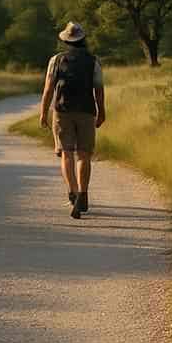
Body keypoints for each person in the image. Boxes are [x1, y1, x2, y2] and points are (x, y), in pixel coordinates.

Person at [38, 21, 106, 219]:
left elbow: (48, 89)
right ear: (83, 39)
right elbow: (99, 91)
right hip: (86, 111)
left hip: (62, 111)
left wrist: (43, 113)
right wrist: (101, 112)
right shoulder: (94, 61)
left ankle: (73, 193)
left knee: (67, 153)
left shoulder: (56, 60)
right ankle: (83, 194)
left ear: (66, 41)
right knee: (84, 154)